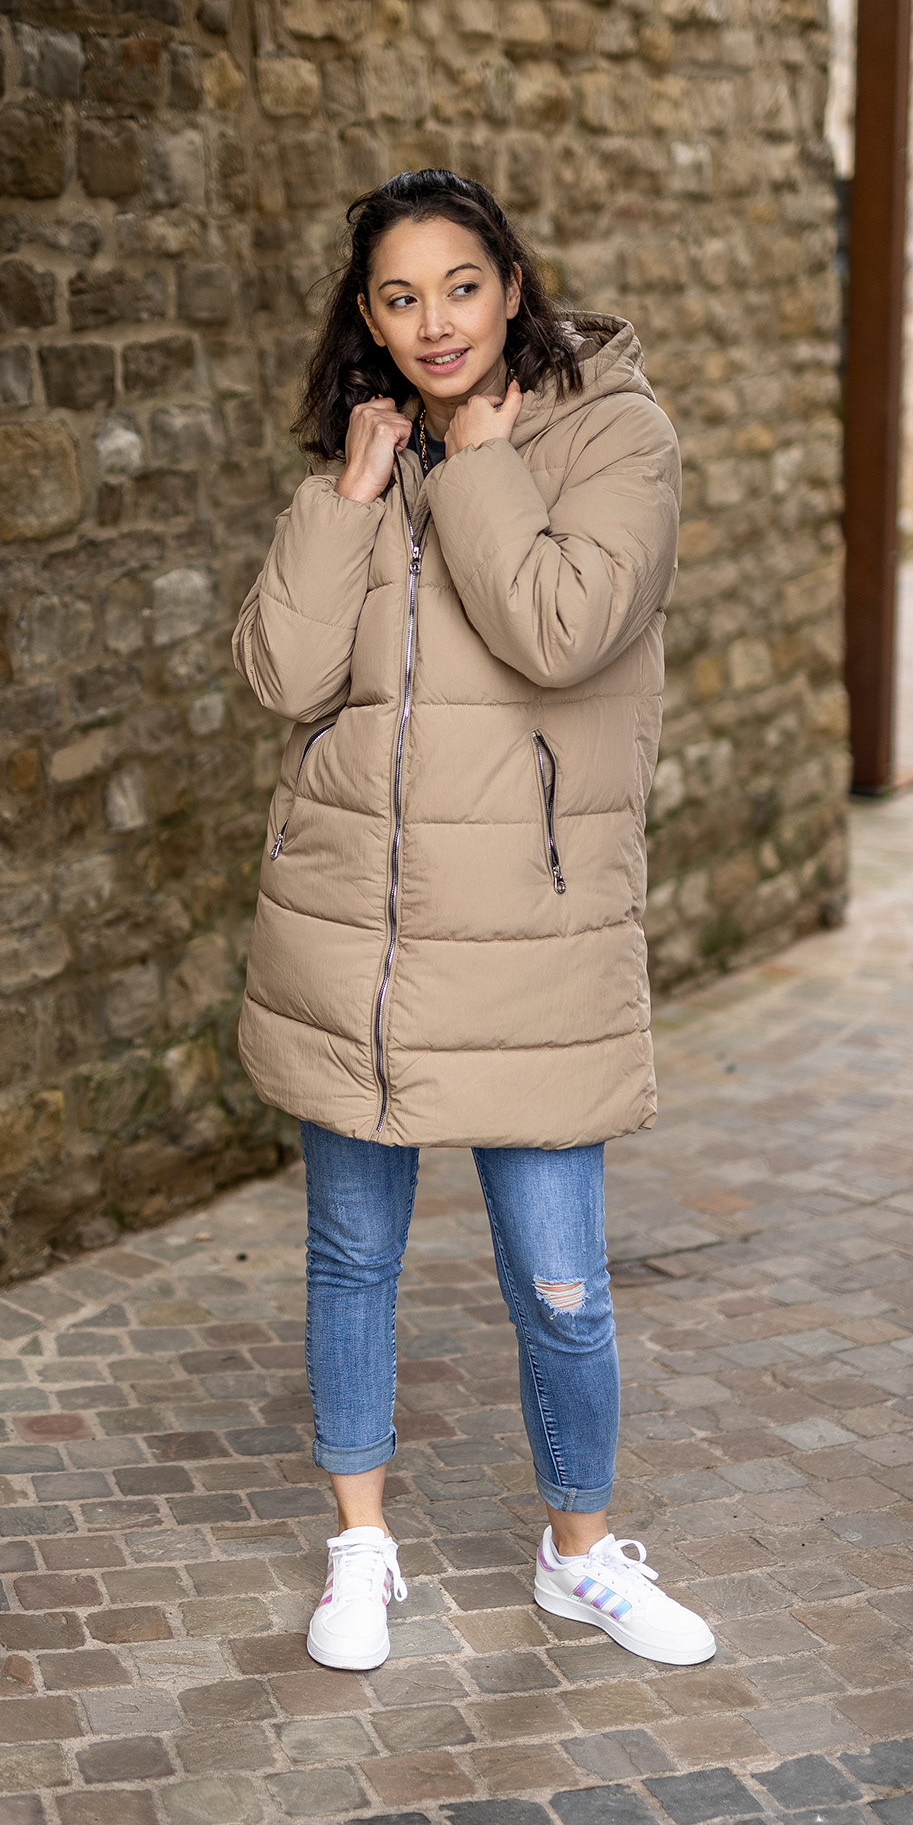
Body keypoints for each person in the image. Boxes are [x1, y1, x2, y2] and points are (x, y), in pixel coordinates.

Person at [232, 168, 715, 1673]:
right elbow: (281, 677)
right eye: (398, 297)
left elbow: (563, 630)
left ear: (511, 284)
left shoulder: (616, 439)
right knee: (350, 1261)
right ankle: (358, 1547)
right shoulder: (367, 457)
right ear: (367, 317)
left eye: (459, 285)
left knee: (561, 1286)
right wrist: (351, 494)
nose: (433, 322)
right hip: (359, 935)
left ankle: (580, 1557)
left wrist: (481, 465)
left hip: (528, 942)